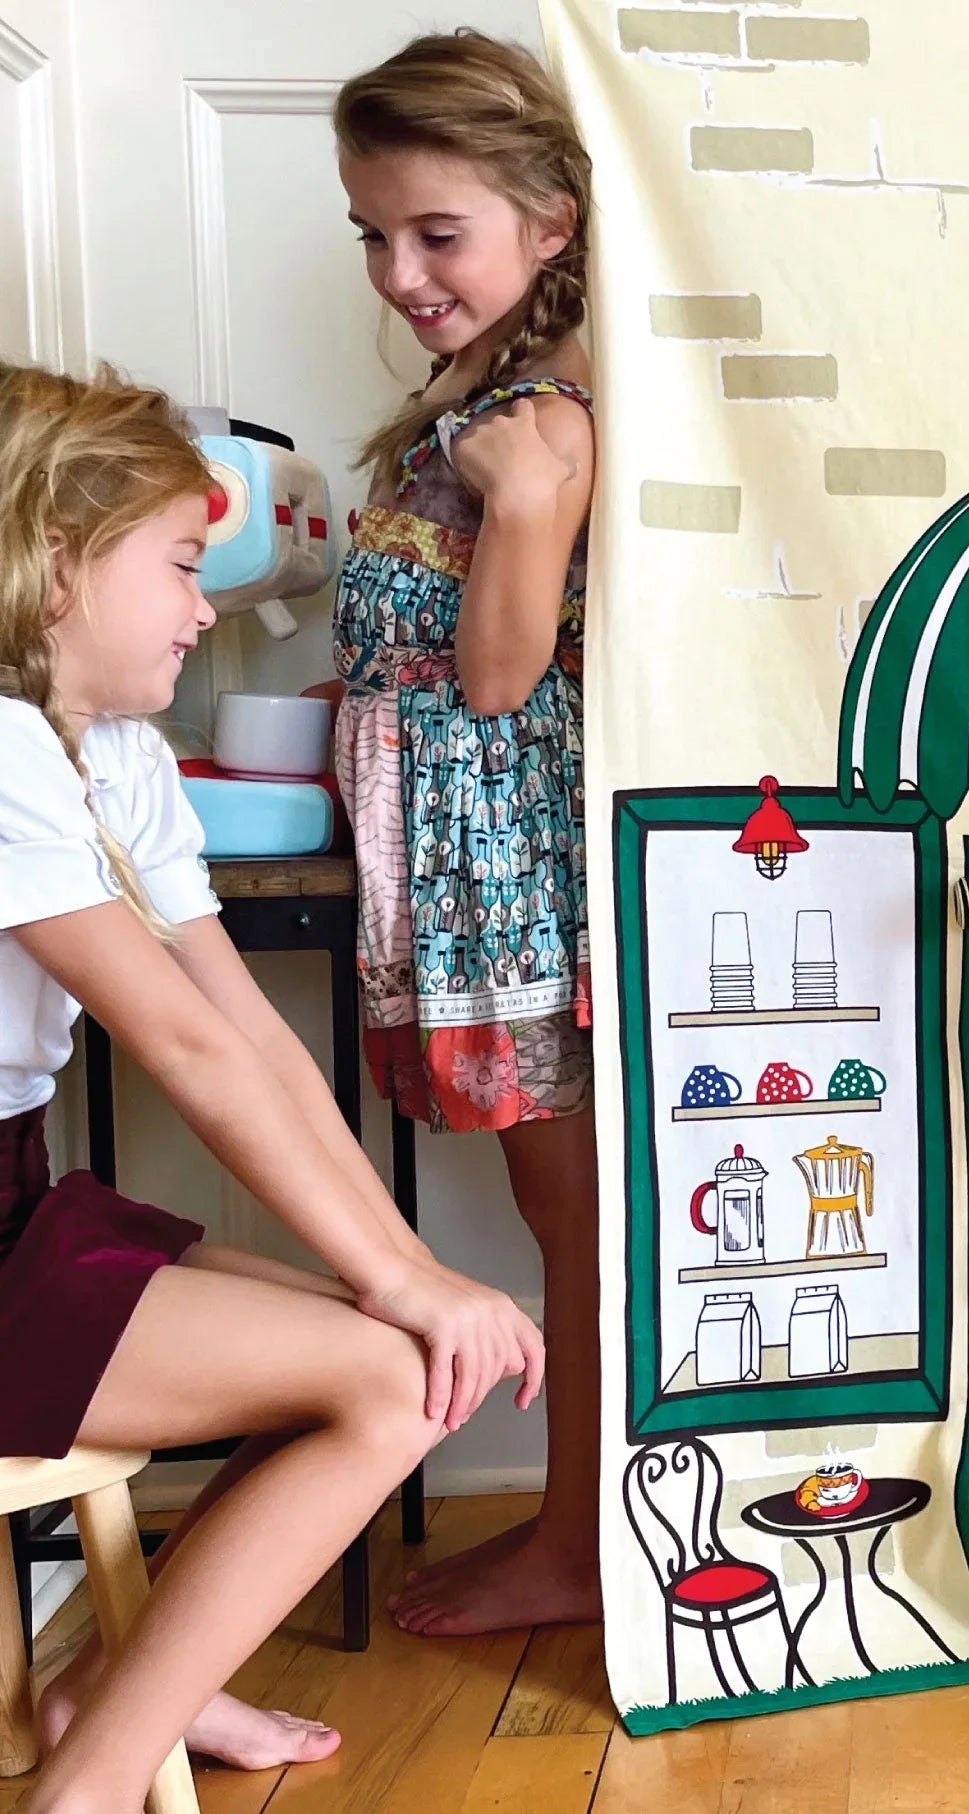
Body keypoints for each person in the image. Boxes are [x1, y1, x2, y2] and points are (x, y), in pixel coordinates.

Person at [0, 361, 543, 1814]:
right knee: (389, 1376)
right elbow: (179, 1050)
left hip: (18, 1203)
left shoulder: (111, 750)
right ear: (52, 568)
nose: (200, 609)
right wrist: (411, 1292)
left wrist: (410, 1268)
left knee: (391, 1333)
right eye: (178, 568)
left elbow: (244, 1034)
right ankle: (97, 1779)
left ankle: (120, 1686)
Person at [328, 30, 600, 1636]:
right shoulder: (477, 395)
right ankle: (575, 1524)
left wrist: (522, 502)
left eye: (439, 233)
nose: (400, 270)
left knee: (571, 1217)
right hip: (453, 885)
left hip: (511, 888)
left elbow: (496, 678)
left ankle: (575, 1540)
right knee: (550, 1211)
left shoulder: (538, 422)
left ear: (547, 220)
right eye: (374, 234)